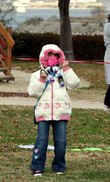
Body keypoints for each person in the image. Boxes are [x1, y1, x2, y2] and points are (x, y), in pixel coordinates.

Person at [28, 44, 80, 176]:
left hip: (61, 111)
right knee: (42, 140)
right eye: (49, 56)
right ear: (43, 58)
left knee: (61, 141)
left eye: (55, 56)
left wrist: (67, 69)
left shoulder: (63, 73)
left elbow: (75, 84)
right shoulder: (36, 75)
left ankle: (59, 165)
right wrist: (42, 79)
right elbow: (33, 93)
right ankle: (37, 166)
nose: (52, 59)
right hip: (43, 112)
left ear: (59, 58)